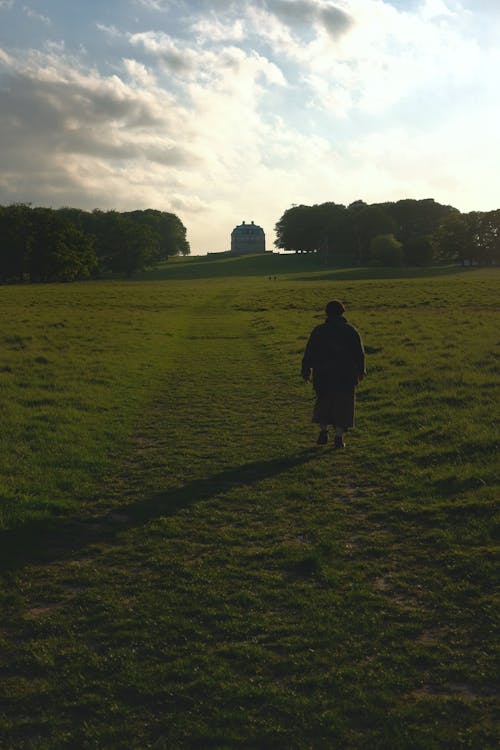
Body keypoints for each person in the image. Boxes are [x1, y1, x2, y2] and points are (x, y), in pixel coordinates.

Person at [301, 300, 366, 448]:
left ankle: (323, 431)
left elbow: (309, 351)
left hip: (323, 373)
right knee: (343, 405)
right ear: (342, 312)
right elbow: (359, 354)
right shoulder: (351, 331)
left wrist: (306, 369)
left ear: (327, 313)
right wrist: (361, 370)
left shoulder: (319, 330)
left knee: (324, 402)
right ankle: (338, 437)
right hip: (345, 375)